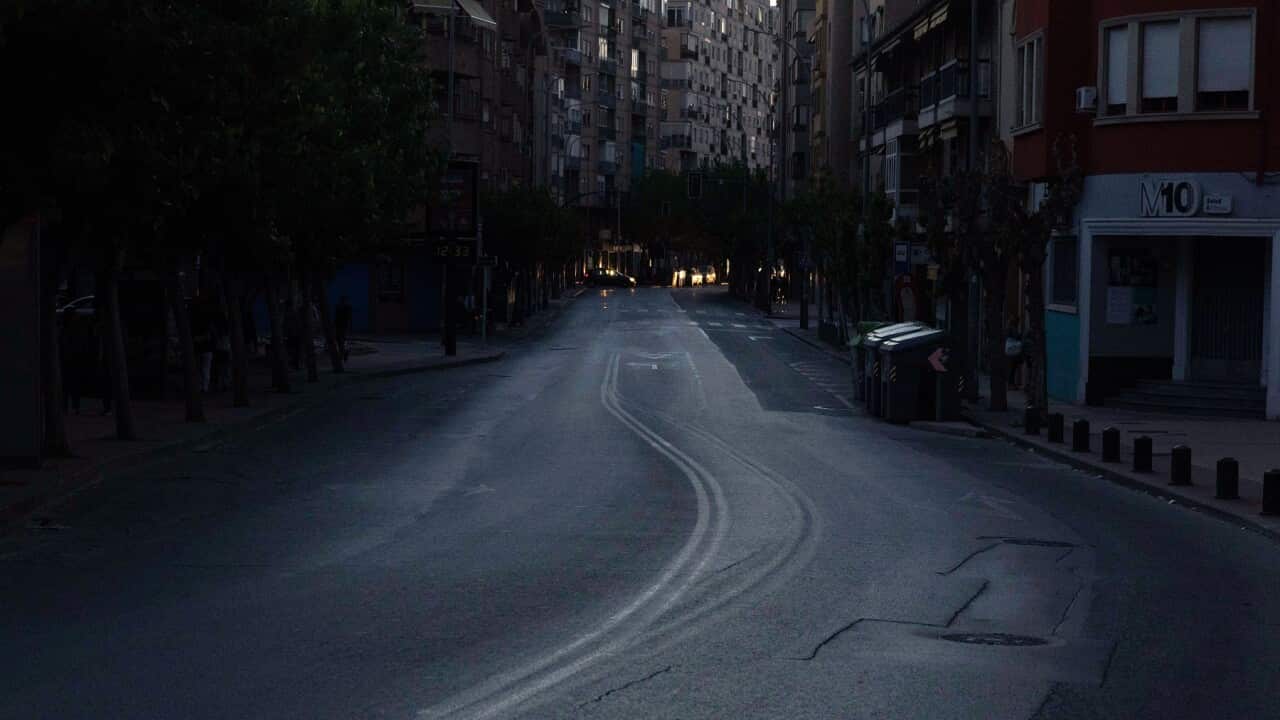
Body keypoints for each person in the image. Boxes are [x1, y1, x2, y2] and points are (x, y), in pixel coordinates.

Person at [1005, 323, 1024, 389]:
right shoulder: (1012, 331)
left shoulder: (1010, 332)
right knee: (1012, 370)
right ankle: (1011, 384)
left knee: (1012, 370)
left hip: (1011, 354)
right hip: (1012, 355)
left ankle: (1011, 384)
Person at [334, 295, 353, 363]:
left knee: (341, 340)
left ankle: (341, 355)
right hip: (339, 326)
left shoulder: (347, 307)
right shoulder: (338, 306)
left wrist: (349, 327)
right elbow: (336, 317)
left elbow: (349, 318)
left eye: (343, 299)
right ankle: (344, 353)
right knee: (338, 340)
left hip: (343, 326)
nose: (343, 301)